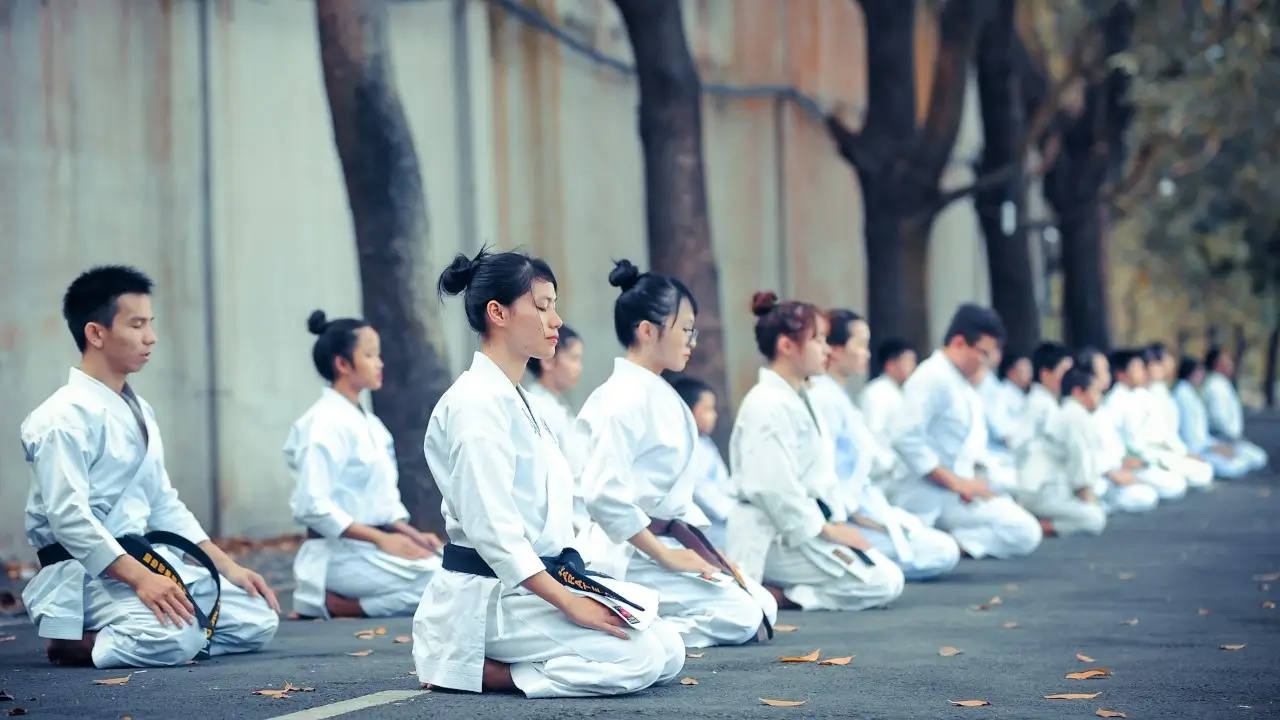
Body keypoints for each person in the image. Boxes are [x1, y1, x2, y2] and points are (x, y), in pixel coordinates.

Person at [413, 249, 685, 698]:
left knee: (669, 649)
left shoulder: (516, 399)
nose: (555, 320)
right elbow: (495, 534)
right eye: (542, 306)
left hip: (538, 584)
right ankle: (479, 669)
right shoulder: (476, 406)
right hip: (493, 596)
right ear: (497, 313)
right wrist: (569, 603)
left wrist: (577, 590)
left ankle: (521, 657)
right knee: (640, 659)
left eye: (554, 306)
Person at [20, 265, 280, 668]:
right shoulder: (61, 417)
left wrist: (227, 567)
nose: (151, 337)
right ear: (96, 333)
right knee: (180, 635)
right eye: (137, 324)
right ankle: (74, 643)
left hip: (145, 560)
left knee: (257, 619)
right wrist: (140, 578)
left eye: (151, 324)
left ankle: (160, 638)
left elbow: (163, 504)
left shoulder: (139, 410)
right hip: (89, 573)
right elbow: (68, 517)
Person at [574, 260, 776, 648]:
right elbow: (604, 495)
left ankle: (645, 622)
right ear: (648, 331)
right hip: (630, 550)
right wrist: (668, 558)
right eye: (685, 329)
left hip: (666, 541)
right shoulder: (620, 399)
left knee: (763, 604)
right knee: (744, 615)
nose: (692, 341)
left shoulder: (660, 393)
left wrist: (706, 554)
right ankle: (634, 633)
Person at [726, 293, 906, 611]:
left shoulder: (800, 396)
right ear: (786, 346)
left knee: (887, 574)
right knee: (883, 581)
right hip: (773, 535)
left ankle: (780, 592)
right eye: (818, 340)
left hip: (801, 525)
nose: (826, 349)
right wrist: (827, 530)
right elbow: (772, 488)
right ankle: (781, 595)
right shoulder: (767, 404)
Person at [283, 310, 441, 619]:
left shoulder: (371, 424)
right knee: (444, 581)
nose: (380, 363)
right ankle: (342, 605)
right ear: (342, 364)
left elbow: (377, 503)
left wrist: (410, 535)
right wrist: (383, 540)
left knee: (458, 569)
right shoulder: (322, 425)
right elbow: (312, 506)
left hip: (369, 549)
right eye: (370, 355)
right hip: (337, 555)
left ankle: (342, 603)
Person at [809, 309, 960, 581]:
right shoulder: (824, 398)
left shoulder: (838, 396)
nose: (867, 354)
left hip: (865, 500)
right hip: (842, 513)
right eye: (861, 345)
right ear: (835, 349)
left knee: (939, 547)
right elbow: (824, 471)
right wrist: (852, 515)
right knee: (938, 552)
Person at [890, 304, 1044, 559]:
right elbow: (904, 437)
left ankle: (954, 545)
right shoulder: (931, 377)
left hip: (956, 494)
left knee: (1025, 531)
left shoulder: (961, 383)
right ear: (960, 343)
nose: (986, 362)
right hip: (925, 495)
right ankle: (937, 545)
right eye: (982, 353)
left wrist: (974, 483)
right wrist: (957, 483)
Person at [1104, 348, 1212, 493]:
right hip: (1135, 460)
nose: (1143, 372)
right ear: (1122, 374)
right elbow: (1114, 439)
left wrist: (1183, 452)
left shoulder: (1141, 394)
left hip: (1154, 455)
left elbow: (1163, 432)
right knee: (1174, 486)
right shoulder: (1115, 401)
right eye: (1137, 368)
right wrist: (1122, 461)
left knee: (1202, 472)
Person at [1017, 367, 1108, 537]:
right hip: (1043, 489)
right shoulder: (1075, 416)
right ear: (1078, 392)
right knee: (1095, 518)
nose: (1099, 398)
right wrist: (1086, 494)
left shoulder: (1070, 412)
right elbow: (1079, 458)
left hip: (1048, 487)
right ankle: (1041, 526)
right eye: (1095, 392)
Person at [1075, 349, 1161, 515]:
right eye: (1104, 370)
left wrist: (1123, 463)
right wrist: (1111, 471)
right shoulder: (1084, 410)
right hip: (1100, 477)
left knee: (1149, 493)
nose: (1108, 375)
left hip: (1119, 468)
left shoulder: (1100, 407)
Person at [524, 324, 591, 531]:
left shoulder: (555, 405)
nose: (578, 367)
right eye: (573, 358)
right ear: (548, 360)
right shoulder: (540, 407)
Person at [668, 376, 735, 549]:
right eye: (708, 409)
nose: (714, 415)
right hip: (708, 530)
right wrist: (732, 513)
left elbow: (721, 483)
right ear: (689, 411)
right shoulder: (684, 448)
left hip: (721, 523)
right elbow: (700, 489)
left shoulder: (703, 442)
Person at [1173, 356, 1255, 478]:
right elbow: (1191, 435)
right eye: (1199, 371)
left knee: (1244, 459)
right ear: (1191, 372)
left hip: (1205, 445)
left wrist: (1217, 446)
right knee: (1234, 465)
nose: (1202, 375)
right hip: (1197, 450)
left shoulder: (1190, 393)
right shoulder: (1183, 395)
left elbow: (1200, 433)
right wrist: (1213, 448)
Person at [1201, 345, 1269, 471]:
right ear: (1218, 363)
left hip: (1230, 440)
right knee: (1244, 463)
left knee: (1257, 458)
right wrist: (1231, 439)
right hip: (1221, 439)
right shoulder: (1215, 386)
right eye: (1227, 360)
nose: (1231, 364)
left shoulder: (1221, 383)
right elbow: (1218, 419)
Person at [859, 338, 917, 441]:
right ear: (891, 365)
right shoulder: (878, 393)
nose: (913, 366)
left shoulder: (903, 391)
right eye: (907, 361)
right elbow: (874, 432)